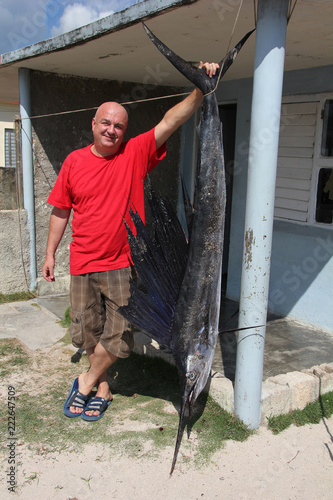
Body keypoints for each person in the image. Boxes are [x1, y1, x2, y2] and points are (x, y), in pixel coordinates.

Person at [42, 61, 219, 421]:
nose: (111, 130)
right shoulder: (73, 163)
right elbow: (60, 211)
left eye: (118, 125)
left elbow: (170, 121)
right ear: (93, 125)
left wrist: (201, 90)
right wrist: (49, 254)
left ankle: (86, 380)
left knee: (119, 335)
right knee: (88, 333)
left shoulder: (134, 154)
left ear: (125, 131)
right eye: (105, 123)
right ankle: (103, 388)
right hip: (81, 262)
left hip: (122, 263)